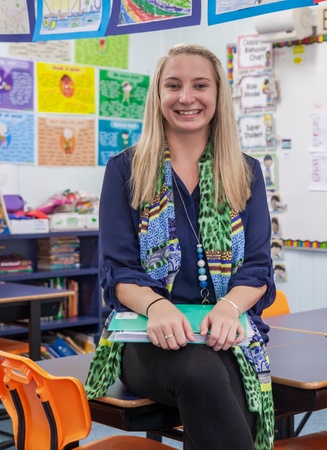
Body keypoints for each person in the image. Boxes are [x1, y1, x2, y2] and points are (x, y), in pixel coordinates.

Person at [84, 44, 276, 450]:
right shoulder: (125, 170)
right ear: (158, 95)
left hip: (227, 334)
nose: (186, 97)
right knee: (201, 372)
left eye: (200, 85)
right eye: (174, 85)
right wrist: (156, 307)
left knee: (221, 373)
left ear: (218, 95)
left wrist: (228, 308)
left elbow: (257, 269)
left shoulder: (246, 173)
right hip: (147, 340)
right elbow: (118, 271)